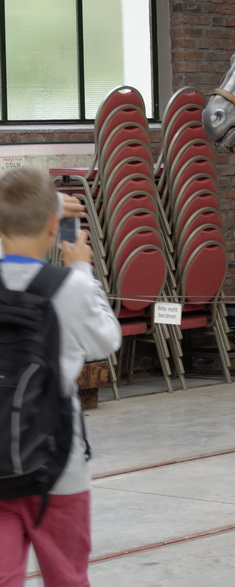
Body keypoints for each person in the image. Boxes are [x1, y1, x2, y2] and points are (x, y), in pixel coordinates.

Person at [0, 169, 120, 586]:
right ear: (54, 225)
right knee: (68, 577)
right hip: (60, 469)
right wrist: (83, 271)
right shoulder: (69, 287)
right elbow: (106, 340)